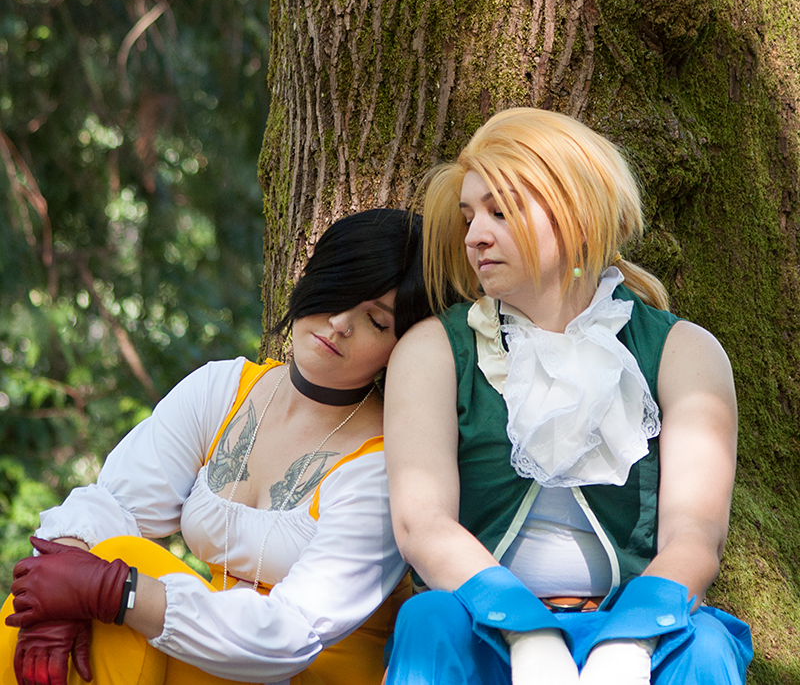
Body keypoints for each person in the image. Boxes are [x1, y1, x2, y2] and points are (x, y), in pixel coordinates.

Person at [383, 109, 752, 685]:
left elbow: (695, 538)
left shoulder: (683, 352)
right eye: (469, 217)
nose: (475, 235)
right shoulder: (434, 350)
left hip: (637, 634)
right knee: (429, 620)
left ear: (576, 216)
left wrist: (629, 643)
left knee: (705, 647)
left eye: (500, 212)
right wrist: (526, 632)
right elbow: (422, 525)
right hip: (480, 631)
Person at [3, 208, 439, 685]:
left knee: (129, 566)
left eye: (375, 321)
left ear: (401, 346)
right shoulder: (224, 389)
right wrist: (64, 574)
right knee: (45, 596)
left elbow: (291, 635)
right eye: (339, 290)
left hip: (297, 672)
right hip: (204, 658)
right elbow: (115, 504)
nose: (339, 323)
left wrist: (117, 591)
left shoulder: (384, 465)